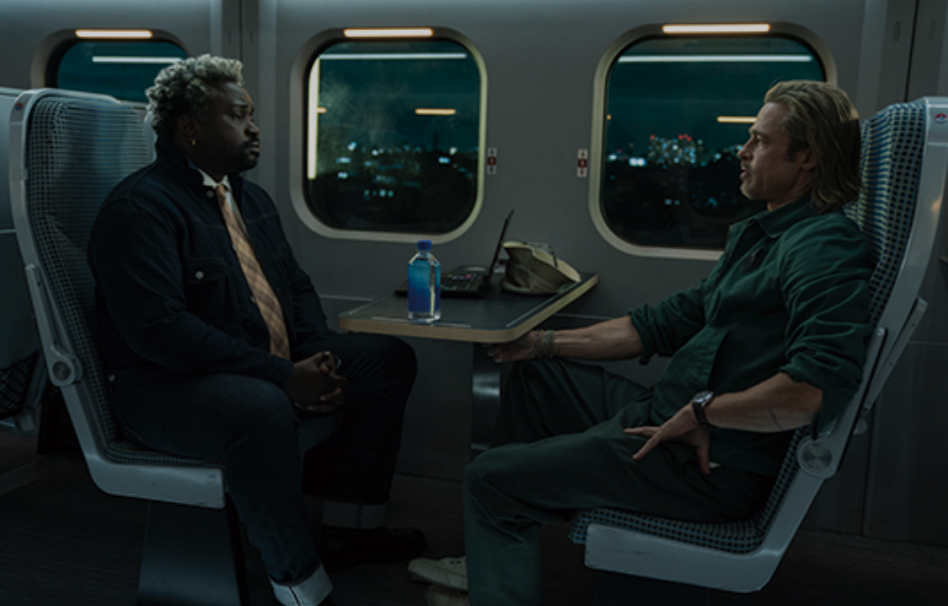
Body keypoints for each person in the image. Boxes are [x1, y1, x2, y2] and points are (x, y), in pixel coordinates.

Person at [413, 80, 875, 606]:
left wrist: (703, 413)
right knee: (541, 375)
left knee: (487, 478)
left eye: (760, 140)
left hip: (707, 462)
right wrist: (541, 343)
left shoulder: (821, 246)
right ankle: (497, 553)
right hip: (667, 413)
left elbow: (813, 390)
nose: (743, 151)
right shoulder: (766, 236)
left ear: (808, 157)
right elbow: (659, 324)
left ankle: (500, 559)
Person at [88, 55, 426, 606]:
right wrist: (282, 376)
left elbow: (295, 286)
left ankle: (350, 530)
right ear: (190, 128)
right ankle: (301, 586)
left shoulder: (249, 198)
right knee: (260, 408)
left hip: (257, 365)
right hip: (161, 388)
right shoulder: (139, 209)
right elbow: (162, 333)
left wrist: (318, 358)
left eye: (251, 115)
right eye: (238, 116)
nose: (254, 128)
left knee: (388, 362)